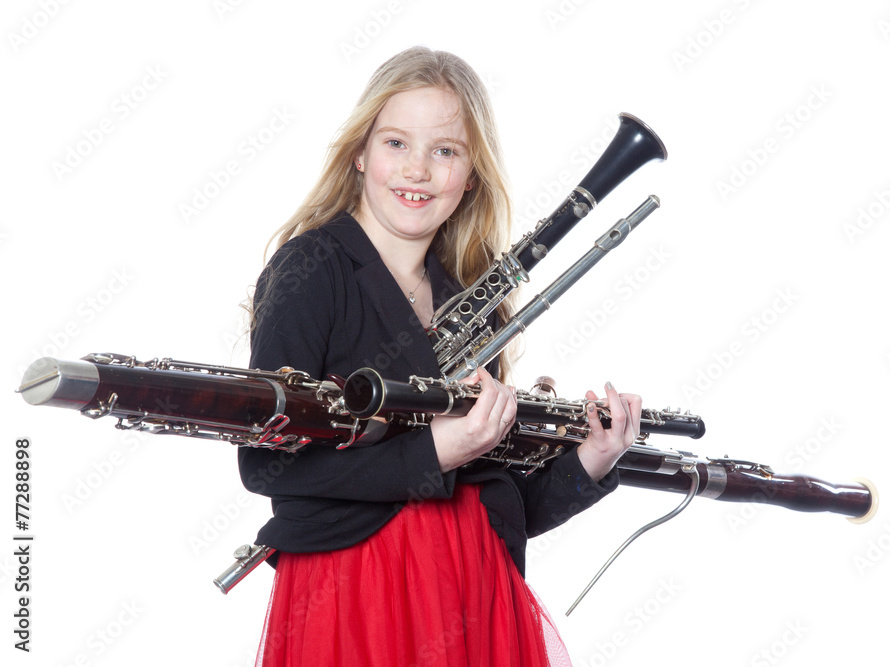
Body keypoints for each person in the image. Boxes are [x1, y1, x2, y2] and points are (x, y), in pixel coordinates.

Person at [239, 46, 642, 666]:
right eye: (396, 143)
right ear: (359, 152)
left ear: (472, 173)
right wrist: (433, 452)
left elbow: (496, 497)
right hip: (359, 599)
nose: (418, 170)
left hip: (476, 591)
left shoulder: (471, 296)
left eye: (445, 150)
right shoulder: (310, 269)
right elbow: (266, 469)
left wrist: (590, 460)